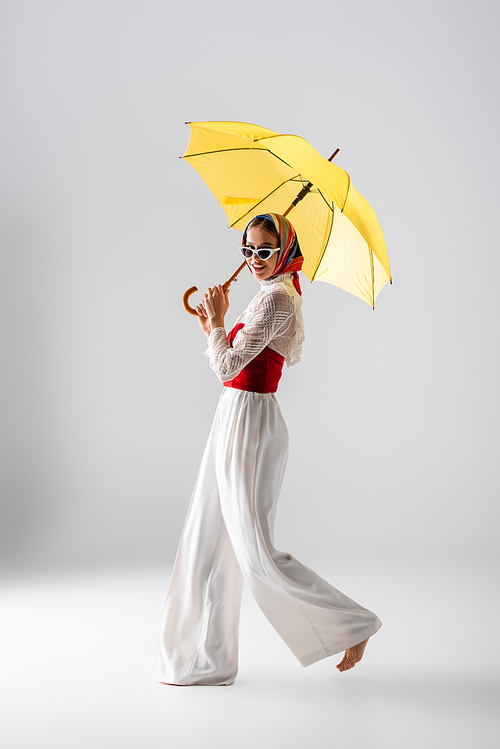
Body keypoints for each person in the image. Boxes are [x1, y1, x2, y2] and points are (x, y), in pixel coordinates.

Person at [156, 213, 382, 686]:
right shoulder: (268, 295)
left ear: (285, 252)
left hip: (252, 424)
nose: (254, 261)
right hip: (233, 414)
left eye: (264, 251)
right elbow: (229, 363)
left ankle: (351, 623)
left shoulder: (278, 299)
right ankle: (206, 662)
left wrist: (218, 322)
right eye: (247, 250)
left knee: (253, 551)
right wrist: (212, 328)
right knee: (205, 537)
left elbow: (227, 365)